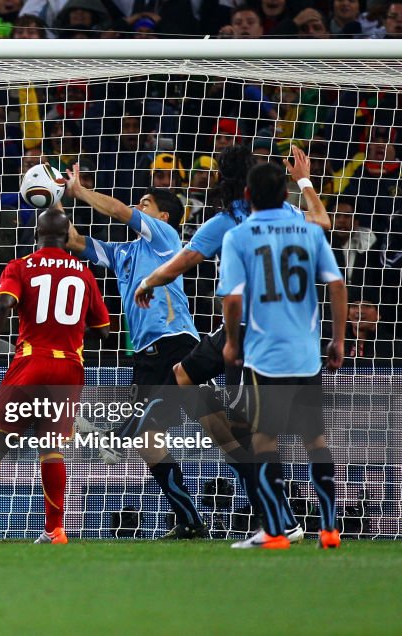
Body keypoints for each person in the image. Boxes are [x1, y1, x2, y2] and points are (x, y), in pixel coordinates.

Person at [133, 145, 330, 545]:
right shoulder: (288, 215)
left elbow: (185, 261)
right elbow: (322, 222)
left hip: (246, 329)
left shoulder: (229, 222)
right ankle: (237, 447)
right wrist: (304, 180)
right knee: (184, 374)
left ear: (227, 181)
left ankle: (279, 516)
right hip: (286, 329)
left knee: (251, 429)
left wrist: (148, 281)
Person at [64, 163, 209, 539]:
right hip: (146, 353)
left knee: (154, 426)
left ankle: (267, 503)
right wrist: (53, 200)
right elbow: (75, 241)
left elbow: (117, 210)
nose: (136, 206)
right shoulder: (124, 253)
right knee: (149, 441)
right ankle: (191, 521)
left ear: (162, 216)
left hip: (176, 342)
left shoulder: (165, 238)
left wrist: (81, 192)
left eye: (144, 202)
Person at [0, 208, 110, 545]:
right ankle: (56, 530)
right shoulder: (83, 273)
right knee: (51, 451)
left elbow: (2, 306)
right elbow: (104, 328)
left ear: (35, 236)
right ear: (68, 239)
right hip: (68, 370)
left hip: (30, 363)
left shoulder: (20, 266)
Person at [217, 161, 346, 550]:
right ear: (286, 195)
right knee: (316, 440)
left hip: (265, 354)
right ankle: (329, 529)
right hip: (307, 353)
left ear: (247, 196)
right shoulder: (309, 232)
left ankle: (275, 531)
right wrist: (338, 340)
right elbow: (337, 285)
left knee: (264, 440)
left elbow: (234, 298)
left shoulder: (239, 237)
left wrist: (232, 343)